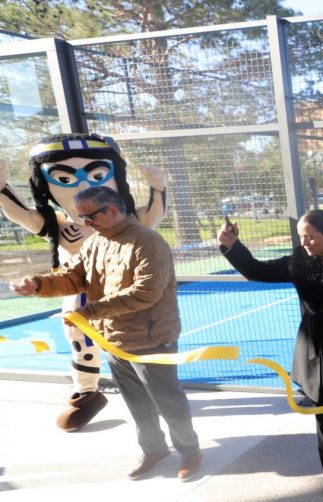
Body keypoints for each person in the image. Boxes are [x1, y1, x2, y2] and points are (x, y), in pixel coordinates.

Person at [10, 185, 201, 481]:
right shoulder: (95, 242)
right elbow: (72, 276)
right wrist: (38, 284)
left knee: (168, 401)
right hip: (112, 338)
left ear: (112, 210)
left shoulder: (148, 242)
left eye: (88, 217)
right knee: (137, 402)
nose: (84, 223)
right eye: (81, 217)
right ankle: (153, 449)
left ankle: (189, 452)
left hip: (152, 339)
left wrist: (88, 312)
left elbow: (145, 293)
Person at [217, 209, 323, 495]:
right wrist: (231, 246)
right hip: (315, 347)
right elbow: (256, 270)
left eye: (310, 237)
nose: (304, 242)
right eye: (301, 236)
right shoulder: (296, 263)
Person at [0, 133, 167, 431]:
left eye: (95, 174)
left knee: (136, 341)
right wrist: (2, 190)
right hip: (78, 291)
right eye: (66, 177)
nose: (81, 183)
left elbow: (152, 218)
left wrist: (158, 188)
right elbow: (24, 216)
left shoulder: (125, 220)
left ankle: (152, 392)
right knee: (81, 341)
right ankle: (88, 393)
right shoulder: (60, 223)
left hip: (121, 291)